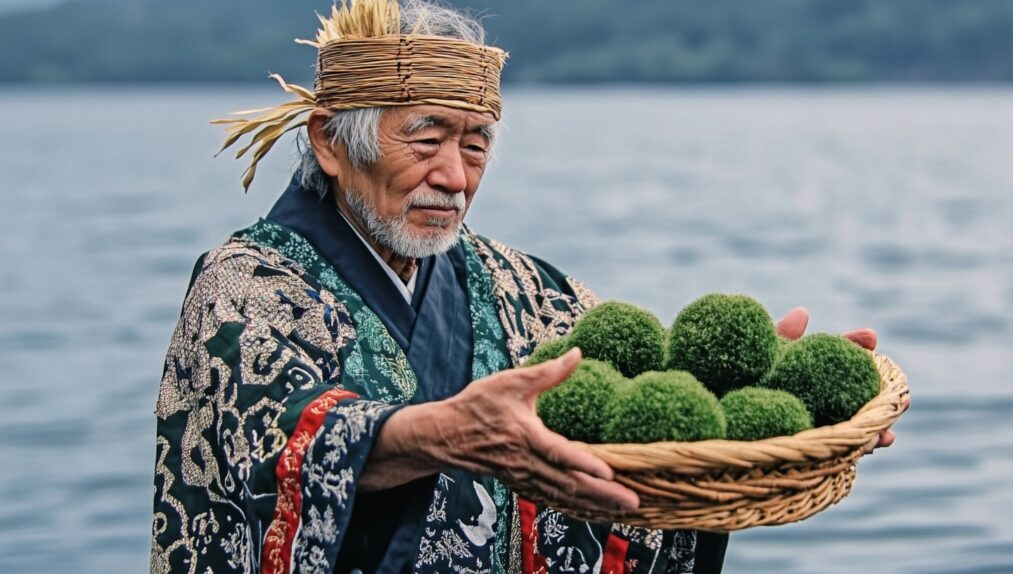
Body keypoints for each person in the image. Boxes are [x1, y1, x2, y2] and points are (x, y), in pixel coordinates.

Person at [150, 1, 896, 573]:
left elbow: (636, 405)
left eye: (475, 145)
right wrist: (442, 435)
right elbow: (276, 449)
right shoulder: (246, 287)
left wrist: (772, 401)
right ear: (328, 141)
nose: (454, 176)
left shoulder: (523, 286)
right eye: (427, 137)